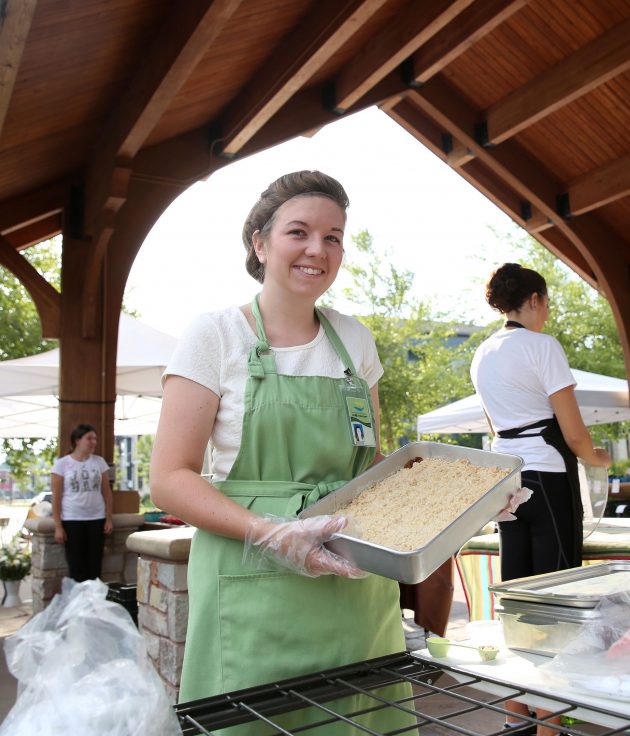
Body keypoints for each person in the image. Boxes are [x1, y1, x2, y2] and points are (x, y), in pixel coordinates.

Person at [150, 171, 412, 733]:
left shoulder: (355, 340)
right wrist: (271, 532)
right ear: (260, 243)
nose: (318, 249)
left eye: (334, 236)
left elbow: (371, 467)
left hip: (353, 585)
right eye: (300, 232)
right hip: (251, 582)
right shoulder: (216, 335)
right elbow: (170, 478)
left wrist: (463, 501)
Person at [471, 263, 611, 734]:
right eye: (546, 301)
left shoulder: (483, 353)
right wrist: (599, 457)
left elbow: (495, 426)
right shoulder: (542, 346)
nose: (547, 312)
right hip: (547, 473)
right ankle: (550, 724)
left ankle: (516, 711)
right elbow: (572, 433)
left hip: (504, 479)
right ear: (533, 299)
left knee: (517, 596)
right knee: (555, 596)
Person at [50, 423, 113, 582]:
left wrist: (109, 518)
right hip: (72, 520)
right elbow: (56, 497)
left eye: (95, 439)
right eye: (89, 438)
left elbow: (107, 493)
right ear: (77, 440)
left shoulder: (99, 462)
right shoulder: (62, 464)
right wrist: (58, 526)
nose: (93, 442)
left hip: (96, 519)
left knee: (95, 566)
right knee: (76, 567)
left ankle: (94, 604)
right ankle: (79, 605)